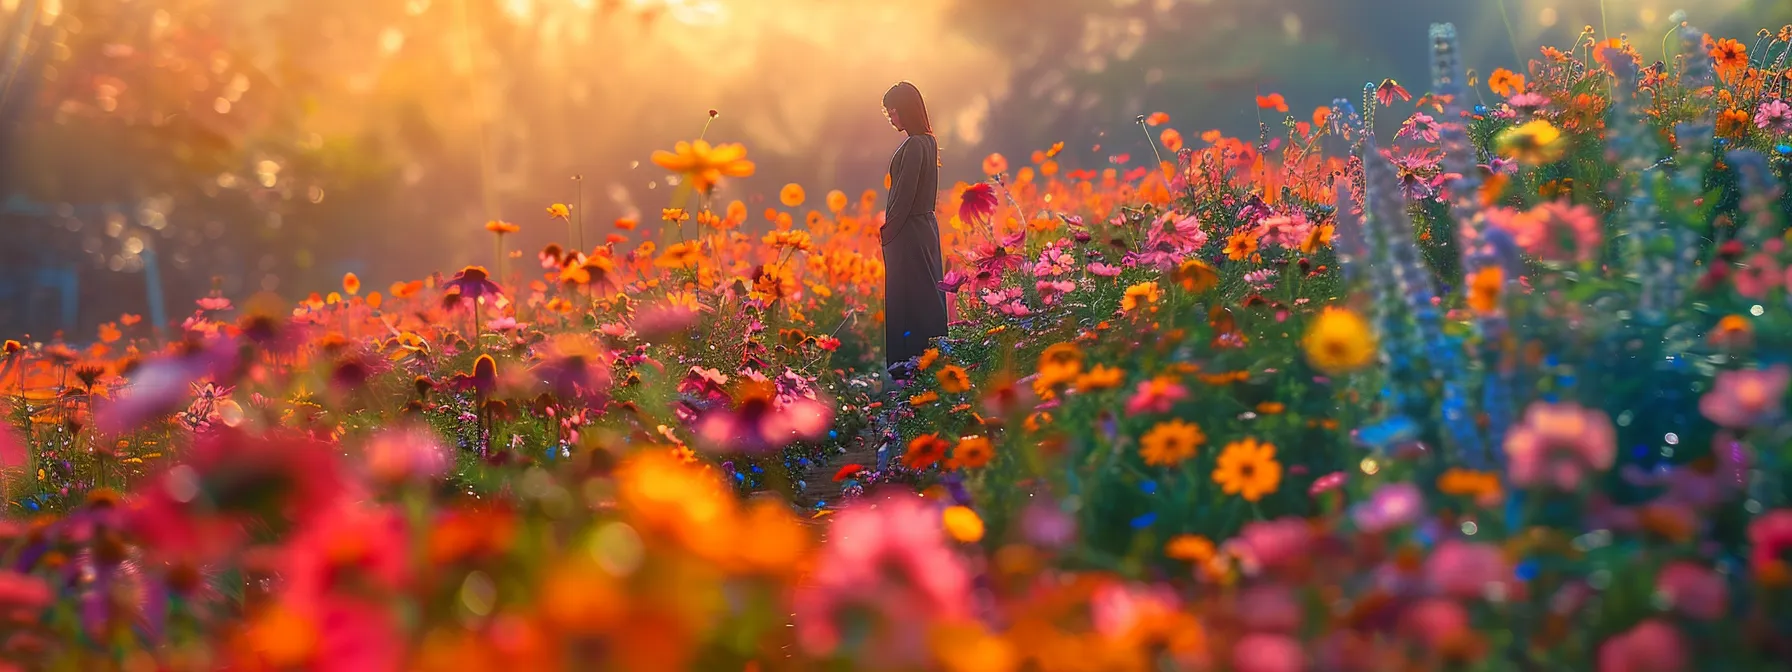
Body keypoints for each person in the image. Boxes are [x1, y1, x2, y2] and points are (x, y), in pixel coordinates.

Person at [878, 81, 949, 381]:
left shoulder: (914, 145)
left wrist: (888, 230)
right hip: (924, 229)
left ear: (904, 110)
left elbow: (903, 196)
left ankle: (912, 365)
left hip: (908, 232)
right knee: (927, 294)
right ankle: (934, 358)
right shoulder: (928, 142)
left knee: (909, 297)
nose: (891, 117)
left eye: (893, 110)